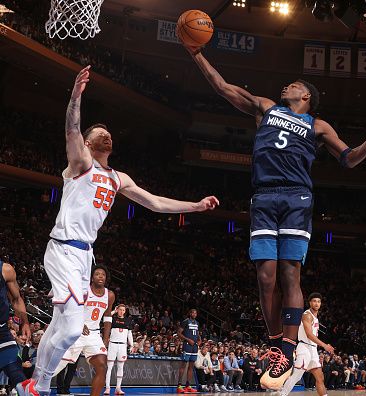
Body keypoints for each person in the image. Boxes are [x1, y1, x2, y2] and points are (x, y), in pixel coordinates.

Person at [186, 47, 366, 390]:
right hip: (264, 195)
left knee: (289, 273)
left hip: (296, 196)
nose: (285, 88)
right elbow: (223, 87)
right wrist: (195, 54)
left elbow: (348, 159)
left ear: (306, 95)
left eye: (292, 85)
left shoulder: (318, 125)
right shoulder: (266, 107)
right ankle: (277, 344)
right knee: (265, 276)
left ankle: (290, 347)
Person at [16, 65, 219, 396]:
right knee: (68, 328)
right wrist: (75, 98)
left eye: (108, 132)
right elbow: (71, 129)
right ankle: (37, 385)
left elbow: (154, 202)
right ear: (87, 143)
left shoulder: (118, 178)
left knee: (58, 325)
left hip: (84, 256)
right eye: (98, 132)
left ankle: (32, 385)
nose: (105, 134)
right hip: (63, 248)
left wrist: (194, 206)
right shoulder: (81, 163)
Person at [52, 265, 115, 396]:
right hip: (75, 331)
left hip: (94, 334)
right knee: (56, 367)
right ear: (92, 278)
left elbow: (108, 316)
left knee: (102, 366)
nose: (100, 276)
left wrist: (106, 338)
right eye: (97, 274)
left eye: (103, 274)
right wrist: (80, 323)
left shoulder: (109, 295)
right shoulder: (84, 291)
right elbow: (71, 308)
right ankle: (31, 385)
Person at [280, 293, 334, 396]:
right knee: (297, 376)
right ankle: (282, 394)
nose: (317, 303)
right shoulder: (307, 315)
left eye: (318, 301)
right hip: (304, 347)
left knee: (320, 377)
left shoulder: (315, 317)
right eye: (314, 301)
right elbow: (309, 335)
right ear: (310, 303)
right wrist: (325, 345)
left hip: (312, 349)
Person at [0, 259, 30, 389]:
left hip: (1, 331)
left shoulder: (6, 269)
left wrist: (25, 323)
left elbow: (16, 299)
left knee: (16, 371)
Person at [104, 304, 134, 395]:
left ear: (125, 311)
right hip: (112, 344)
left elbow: (130, 334)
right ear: (118, 310)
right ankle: (107, 388)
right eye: (120, 309)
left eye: (123, 310)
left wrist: (132, 345)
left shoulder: (128, 320)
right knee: (109, 367)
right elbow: (106, 318)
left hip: (122, 346)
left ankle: (118, 388)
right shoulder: (112, 319)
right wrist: (114, 311)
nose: (121, 311)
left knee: (120, 367)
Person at [177, 309, 200, 393]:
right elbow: (179, 333)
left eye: (195, 313)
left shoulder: (197, 323)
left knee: (191, 366)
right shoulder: (185, 321)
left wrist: (199, 340)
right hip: (187, 345)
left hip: (194, 346)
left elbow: (197, 333)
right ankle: (179, 386)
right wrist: (187, 339)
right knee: (183, 365)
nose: (194, 314)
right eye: (193, 313)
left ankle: (188, 386)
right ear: (190, 313)